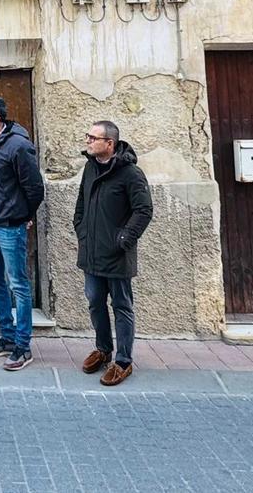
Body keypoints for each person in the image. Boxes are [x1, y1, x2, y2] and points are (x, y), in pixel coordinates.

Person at [73, 119, 153, 386]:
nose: (88, 141)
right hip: (92, 252)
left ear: (110, 143)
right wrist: (82, 231)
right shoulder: (90, 168)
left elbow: (144, 210)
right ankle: (103, 349)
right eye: (88, 136)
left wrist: (124, 240)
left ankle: (123, 361)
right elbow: (81, 204)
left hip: (117, 254)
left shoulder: (130, 173)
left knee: (121, 306)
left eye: (93, 138)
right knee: (95, 302)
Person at [0, 95, 45, 372]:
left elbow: (35, 190)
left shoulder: (19, 146)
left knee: (19, 285)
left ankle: (23, 346)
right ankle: (7, 336)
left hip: (10, 227)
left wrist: (23, 216)